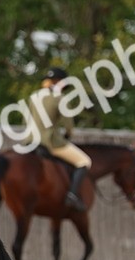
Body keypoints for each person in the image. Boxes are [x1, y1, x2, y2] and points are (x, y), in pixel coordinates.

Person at [30, 66, 92, 211]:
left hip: (31, 141)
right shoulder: (60, 98)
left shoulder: (34, 97)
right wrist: (67, 136)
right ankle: (72, 195)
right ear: (60, 82)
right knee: (84, 162)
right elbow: (69, 126)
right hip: (50, 142)